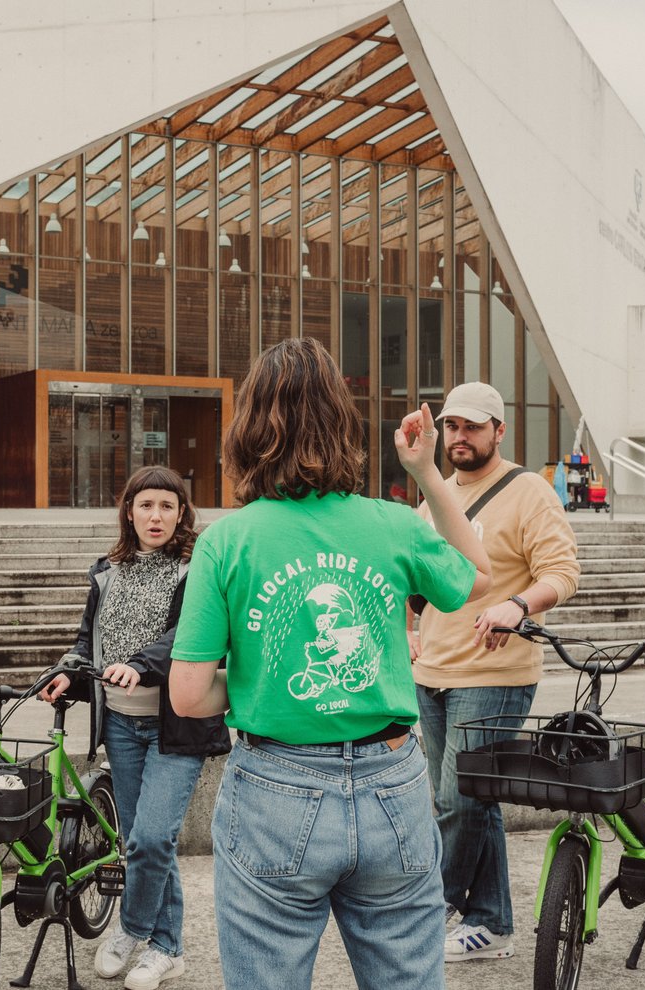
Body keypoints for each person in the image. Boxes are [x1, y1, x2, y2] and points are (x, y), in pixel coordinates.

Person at [167, 337, 492, 990]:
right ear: (342, 424)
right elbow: (480, 576)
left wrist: (269, 682)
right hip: (394, 787)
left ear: (248, 431)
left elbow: (189, 695)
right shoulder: (392, 524)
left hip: (272, 791)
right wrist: (428, 472)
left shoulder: (228, 540)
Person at [39, 465, 229, 990]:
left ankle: (132, 930)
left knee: (151, 837)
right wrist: (67, 673)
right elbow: (88, 643)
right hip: (120, 724)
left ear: (182, 515)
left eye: (168, 506)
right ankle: (168, 948)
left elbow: (193, 636)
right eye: (146, 505)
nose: (156, 515)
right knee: (142, 841)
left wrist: (142, 662)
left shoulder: (196, 569)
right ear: (129, 511)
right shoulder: (107, 570)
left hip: (177, 725)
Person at [408, 381, 580, 962]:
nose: (460, 437)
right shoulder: (431, 497)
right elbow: (416, 582)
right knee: (469, 800)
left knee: (459, 800)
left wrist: (517, 605)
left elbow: (562, 572)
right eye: (452, 427)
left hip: (495, 672)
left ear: (499, 431)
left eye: (473, 427)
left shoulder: (528, 491)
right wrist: (409, 633)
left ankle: (427, 910)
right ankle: (491, 922)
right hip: (431, 670)